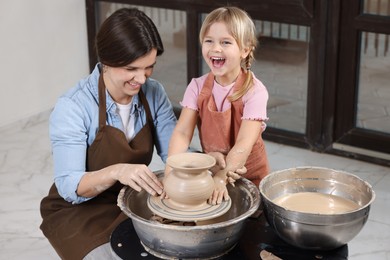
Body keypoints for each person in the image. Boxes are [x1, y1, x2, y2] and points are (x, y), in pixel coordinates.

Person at [40, 8, 177, 260]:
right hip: (78, 209)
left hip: (130, 199)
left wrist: (204, 162)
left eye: (149, 67)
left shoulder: (154, 93)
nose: (142, 79)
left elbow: (175, 154)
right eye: (131, 69)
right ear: (105, 61)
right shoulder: (73, 106)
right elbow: (70, 185)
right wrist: (117, 171)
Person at [166, 6, 270, 205]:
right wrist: (171, 173)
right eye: (209, 41)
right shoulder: (196, 87)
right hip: (212, 171)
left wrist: (222, 177)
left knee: (251, 225)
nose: (215, 48)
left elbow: (243, 145)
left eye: (226, 42)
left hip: (248, 174)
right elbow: (182, 134)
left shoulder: (255, 92)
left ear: (245, 49)